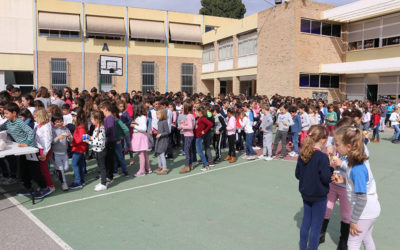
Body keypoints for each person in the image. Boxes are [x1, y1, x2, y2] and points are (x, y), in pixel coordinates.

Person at [332, 126, 381, 250]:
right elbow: (356, 184)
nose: (335, 147)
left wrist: (353, 220)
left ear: (348, 147)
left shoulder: (357, 168)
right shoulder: (354, 162)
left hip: (364, 212)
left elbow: (361, 198)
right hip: (370, 210)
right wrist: (344, 180)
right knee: (367, 237)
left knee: (353, 243)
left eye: (337, 144)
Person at [0, 103, 51, 198]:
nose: (5, 115)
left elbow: (31, 132)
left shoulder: (19, 122)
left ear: (14, 113)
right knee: (23, 171)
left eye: (7, 113)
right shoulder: (8, 123)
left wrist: (27, 143)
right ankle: (28, 188)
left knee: (34, 171)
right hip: (21, 150)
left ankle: (45, 188)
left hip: (30, 150)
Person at [295, 125, 332, 250]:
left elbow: (298, 174)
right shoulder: (322, 157)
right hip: (319, 196)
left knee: (306, 222)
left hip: (306, 193)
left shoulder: (303, 154)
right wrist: (331, 169)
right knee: (316, 226)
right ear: (322, 140)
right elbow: (326, 178)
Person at [85, 111, 108, 191]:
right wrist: (90, 137)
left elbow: (100, 142)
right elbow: (96, 139)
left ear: (97, 119)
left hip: (100, 151)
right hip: (97, 151)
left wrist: (89, 142)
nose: (91, 120)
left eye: (92, 119)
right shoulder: (97, 128)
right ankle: (103, 182)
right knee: (100, 167)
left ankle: (104, 183)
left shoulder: (101, 129)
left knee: (102, 168)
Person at [33, 109, 55, 191]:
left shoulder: (46, 127)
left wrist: (44, 153)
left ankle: (50, 185)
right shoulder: (39, 125)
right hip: (40, 148)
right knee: (42, 168)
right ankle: (45, 184)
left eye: (35, 117)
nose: (34, 119)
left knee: (44, 169)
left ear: (40, 117)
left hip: (44, 150)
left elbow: (47, 141)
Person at [51, 113, 72, 191]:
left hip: (64, 152)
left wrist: (69, 137)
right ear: (54, 123)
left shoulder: (66, 129)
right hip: (56, 153)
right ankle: (64, 183)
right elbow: (51, 141)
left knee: (66, 168)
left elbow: (70, 140)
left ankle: (56, 171)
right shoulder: (53, 130)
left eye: (61, 121)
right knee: (61, 169)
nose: (59, 123)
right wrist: (58, 138)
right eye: (57, 122)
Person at [131, 104, 151, 177]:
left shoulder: (142, 117)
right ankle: (148, 168)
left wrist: (134, 126)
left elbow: (143, 128)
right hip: (140, 136)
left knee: (141, 153)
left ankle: (142, 171)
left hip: (140, 136)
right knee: (144, 153)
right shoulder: (140, 117)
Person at [69, 108, 87, 189]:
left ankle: (78, 181)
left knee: (74, 164)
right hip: (80, 148)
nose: (73, 118)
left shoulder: (81, 127)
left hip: (79, 149)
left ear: (79, 117)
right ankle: (81, 180)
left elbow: (81, 138)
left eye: (74, 116)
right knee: (81, 164)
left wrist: (73, 142)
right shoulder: (80, 125)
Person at [99, 101, 116, 184]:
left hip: (110, 141)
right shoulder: (107, 118)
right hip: (107, 141)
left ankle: (110, 177)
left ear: (105, 109)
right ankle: (106, 175)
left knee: (109, 160)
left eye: (101, 110)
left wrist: (102, 131)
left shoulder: (110, 117)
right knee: (106, 160)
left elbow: (109, 129)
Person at [194, 106, 213, 171]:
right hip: (197, 136)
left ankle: (206, 164)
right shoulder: (199, 118)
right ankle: (205, 163)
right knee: (199, 151)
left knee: (199, 151)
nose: (195, 113)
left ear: (200, 112)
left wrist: (204, 131)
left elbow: (210, 124)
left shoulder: (203, 118)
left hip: (199, 137)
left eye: (196, 111)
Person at [178, 102, 195, 174]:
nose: (183, 108)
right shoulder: (191, 115)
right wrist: (184, 122)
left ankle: (187, 166)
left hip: (188, 135)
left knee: (186, 150)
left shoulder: (188, 116)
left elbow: (191, 127)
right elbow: (190, 124)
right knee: (189, 150)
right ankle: (190, 164)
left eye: (183, 107)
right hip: (190, 135)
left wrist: (182, 126)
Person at [153, 109, 170, 175]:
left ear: (162, 115)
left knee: (162, 154)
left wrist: (160, 134)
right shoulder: (159, 122)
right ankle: (160, 167)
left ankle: (164, 169)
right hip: (159, 139)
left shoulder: (164, 122)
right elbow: (160, 130)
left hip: (163, 140)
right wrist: (156, 132)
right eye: (156, 114)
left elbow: (167, 132)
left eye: (158, 114)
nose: (157, 116)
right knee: (158, 153)